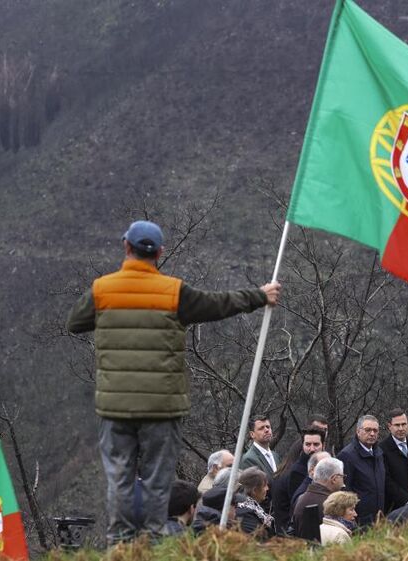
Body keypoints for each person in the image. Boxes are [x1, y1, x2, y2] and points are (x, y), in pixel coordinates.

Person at [66, 220, 279, 544]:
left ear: (126, 247)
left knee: (120, 478)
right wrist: (259, 296)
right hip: (161, 407)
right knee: (157, 479)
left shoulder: (102, 289)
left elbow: (75, 323)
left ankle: (119, 546)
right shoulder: (174, 292)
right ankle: (153, 543)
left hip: (116, 406)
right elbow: (219, 304)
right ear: (160, 253)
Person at [272, 428, 326, 533]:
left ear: (323, 445)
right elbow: (298, 507)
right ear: (302, 445)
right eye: (308, 444)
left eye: (316, 444)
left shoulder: (322, 466)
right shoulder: (296, 473)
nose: (312, 449)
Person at [338, 415, 386, 526]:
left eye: (375, 430)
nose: (372, 434)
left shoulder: (379, 453)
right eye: (368, 430)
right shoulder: (347, 456)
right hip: (359, 520)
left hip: (379, 518)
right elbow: (345, 491)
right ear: (358, 431)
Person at [379, 408, 408, 512]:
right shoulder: (382, 449)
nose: (401, 428)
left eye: (404, 424)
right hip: (394, 507)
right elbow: (386, 480)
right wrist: (406, 500)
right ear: (390, 426)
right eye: (397, 425)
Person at [292, 456, 344, 534]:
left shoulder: (302, 498)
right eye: (342, 476)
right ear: (334, 479)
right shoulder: (330, 504)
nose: (343, 482)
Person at [234, 467, 276, 537]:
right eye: (264, 485)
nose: (267, 489)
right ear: (254, 491)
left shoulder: (253, 507)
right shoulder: (245, 512)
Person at [240, 415, 281, 483]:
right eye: (261, 428)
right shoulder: (248, 459)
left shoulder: (275, 456)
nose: (267, 430)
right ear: (252, 434)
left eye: (268, 427)